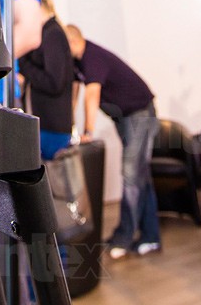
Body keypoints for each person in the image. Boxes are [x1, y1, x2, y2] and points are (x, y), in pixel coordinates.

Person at [65, 24, 161, 259]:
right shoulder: (76, 63)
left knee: (131, 175)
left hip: (139, 113)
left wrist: (88, 130)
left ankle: (124, 238)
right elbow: (74, 93)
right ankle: (151, 237)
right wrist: (69, 126)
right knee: (139, 176)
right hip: (125, 117)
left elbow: (92, 95)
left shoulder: (92, 57)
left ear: (73, 42)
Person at [18, 0, 74, 160]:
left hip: (52, 128)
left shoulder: (52, 34)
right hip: (47, 126)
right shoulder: (49, 33)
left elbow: (54, 82)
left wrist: (25, 66)